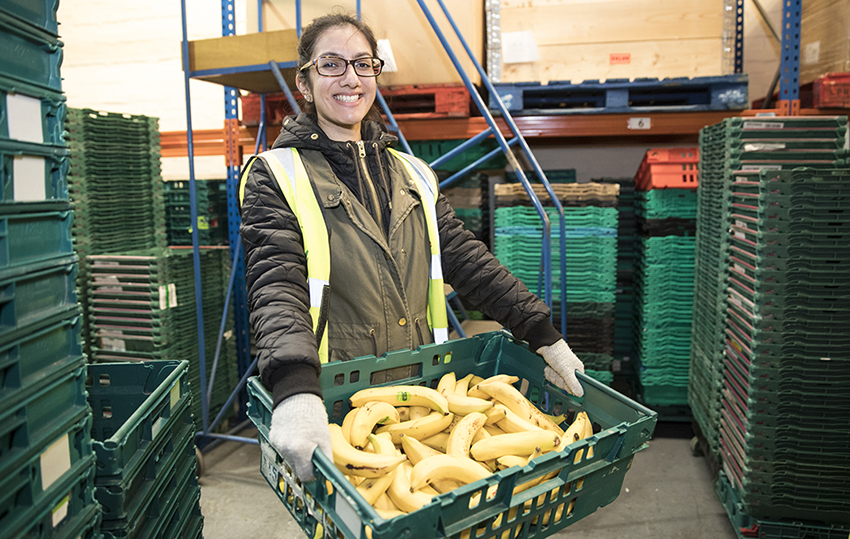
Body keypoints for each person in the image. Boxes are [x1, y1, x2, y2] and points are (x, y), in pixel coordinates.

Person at [238, 12, 585, 483]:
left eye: (363, 63)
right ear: (305, 82)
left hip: (424, 391)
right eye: (332, 65)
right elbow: (275, 284)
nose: (350, 78)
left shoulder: (413, 172)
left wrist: (542, 334)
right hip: (339, 397)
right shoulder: (274, 173)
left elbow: (467, 260)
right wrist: (296, 390)